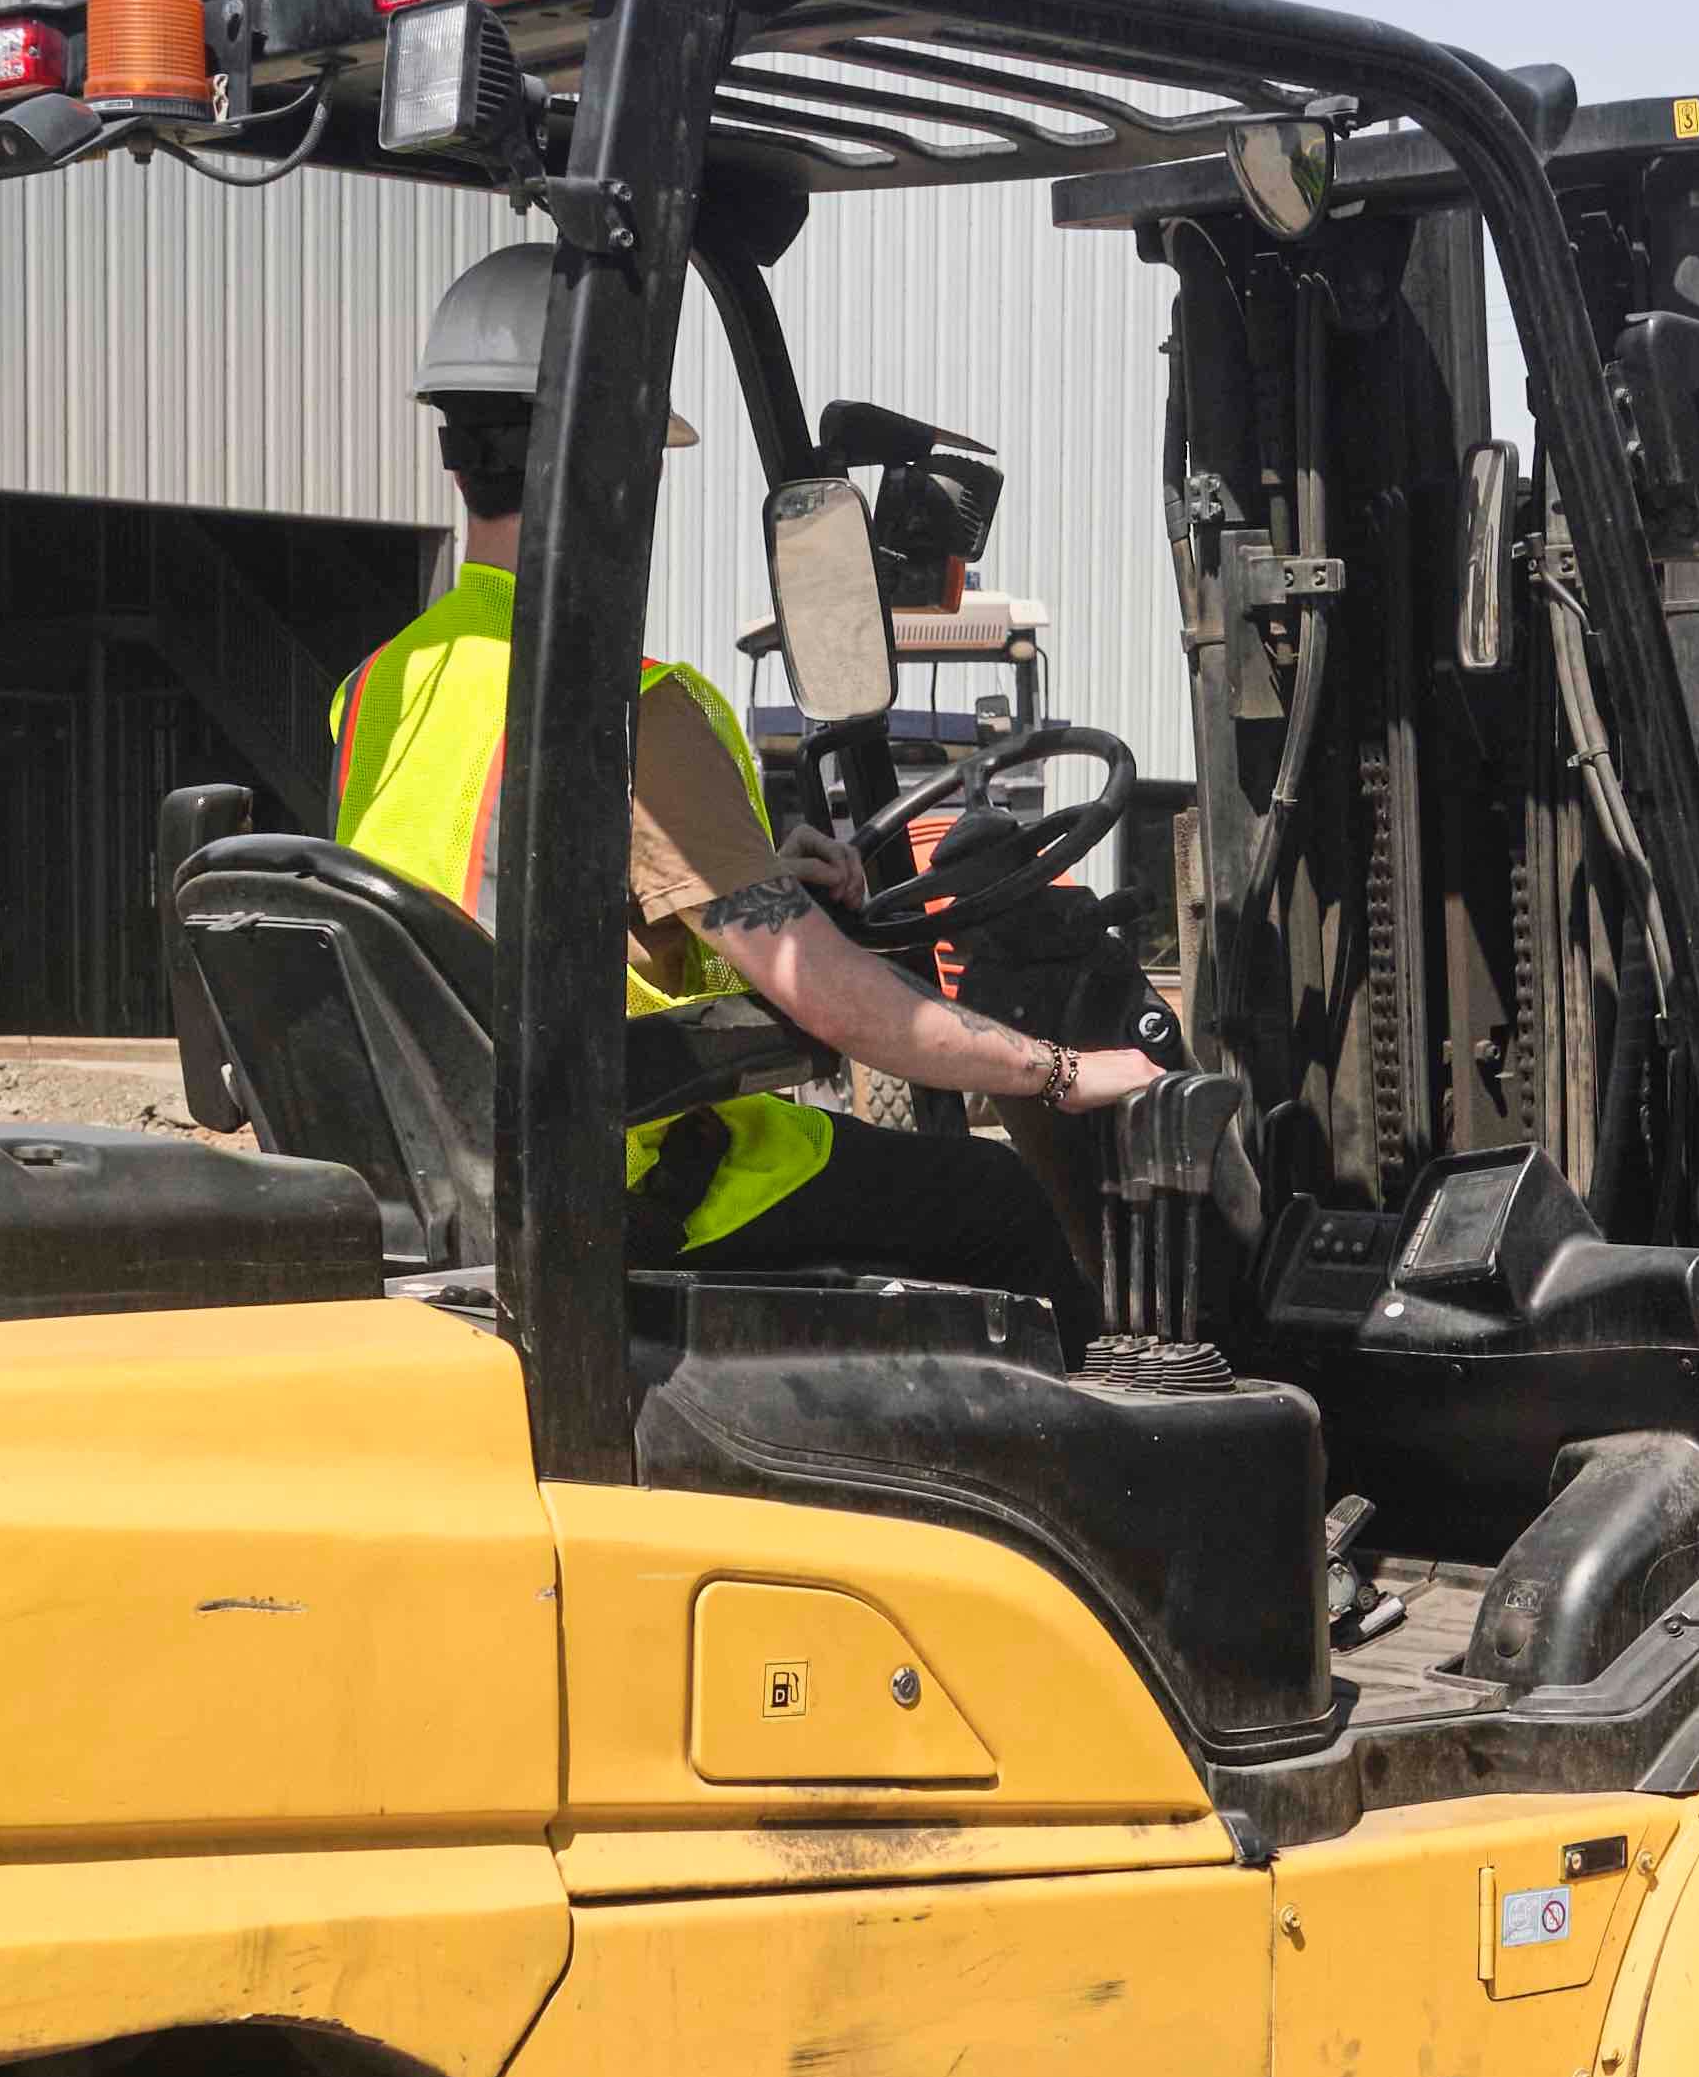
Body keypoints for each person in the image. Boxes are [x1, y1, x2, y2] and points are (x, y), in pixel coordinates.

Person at [329, 250, 1154, 1309]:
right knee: (997, 1201)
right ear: (604, 456)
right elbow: (836, 1004)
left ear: (458, 459)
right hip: (629, 1180)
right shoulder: (621, 704)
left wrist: (751, 872)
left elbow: (511, 897)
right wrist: (1066, 1073)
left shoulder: (377, 689)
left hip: (459, 1168)